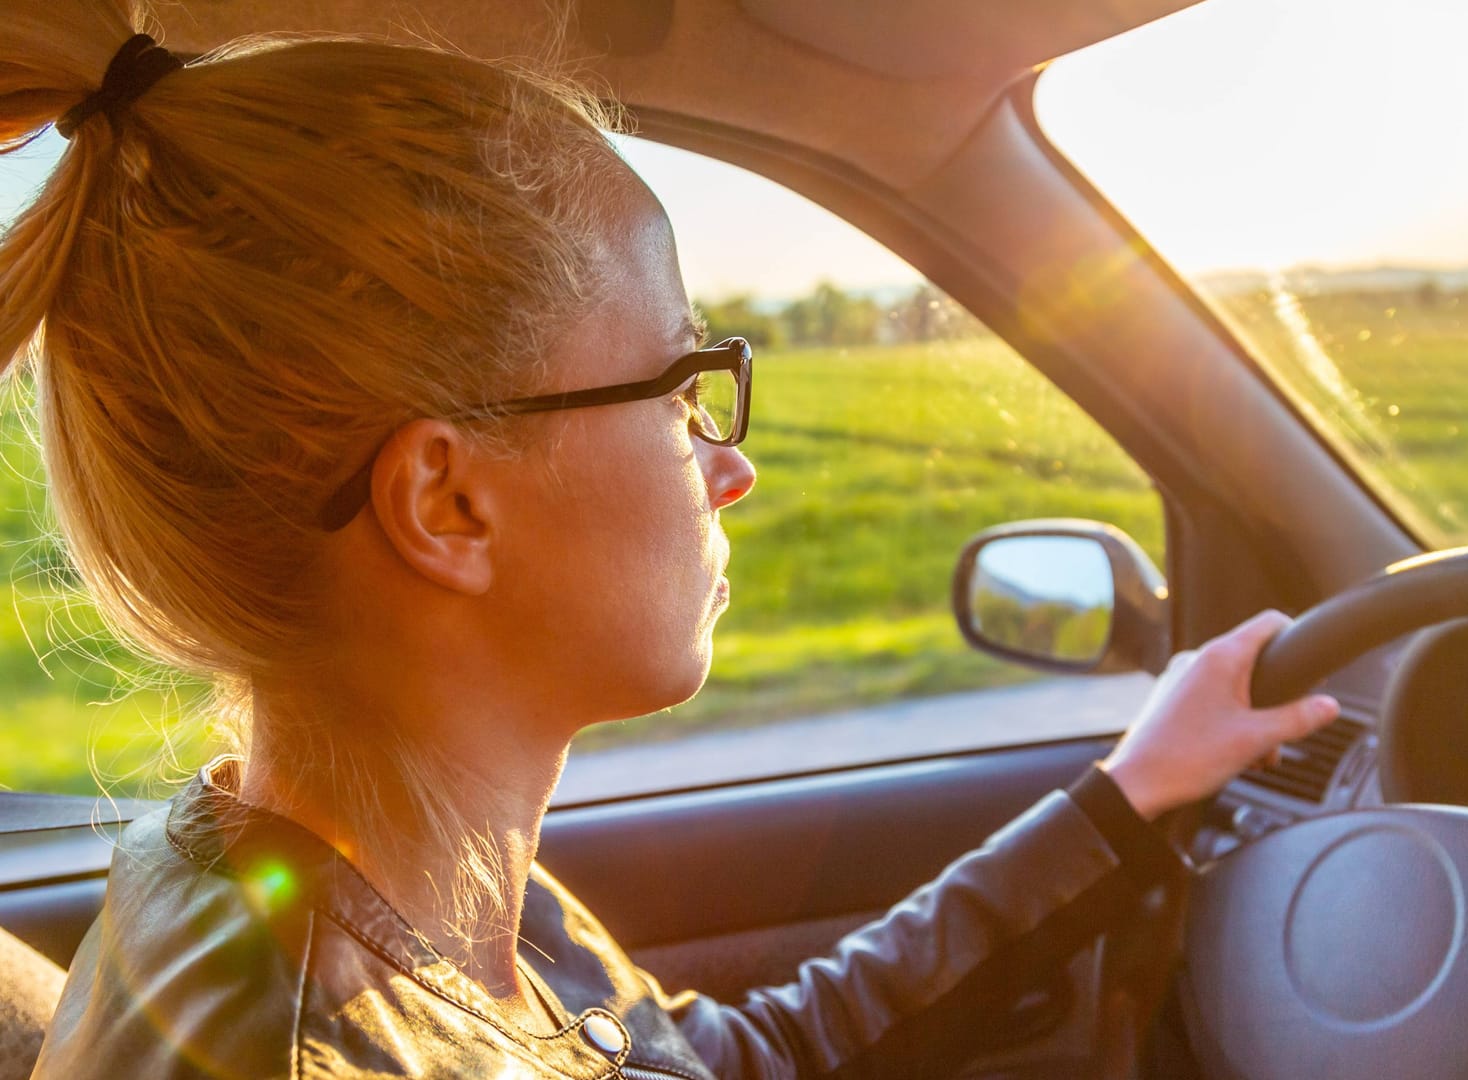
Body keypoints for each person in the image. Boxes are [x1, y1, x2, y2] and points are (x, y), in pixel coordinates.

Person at [1, 4, 1342, 1076]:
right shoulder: (323, 1035)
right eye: (681, 393)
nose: (733, 465)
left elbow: (719, 1061)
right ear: (447, 505)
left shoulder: (402, 887)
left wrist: (1127, 799)